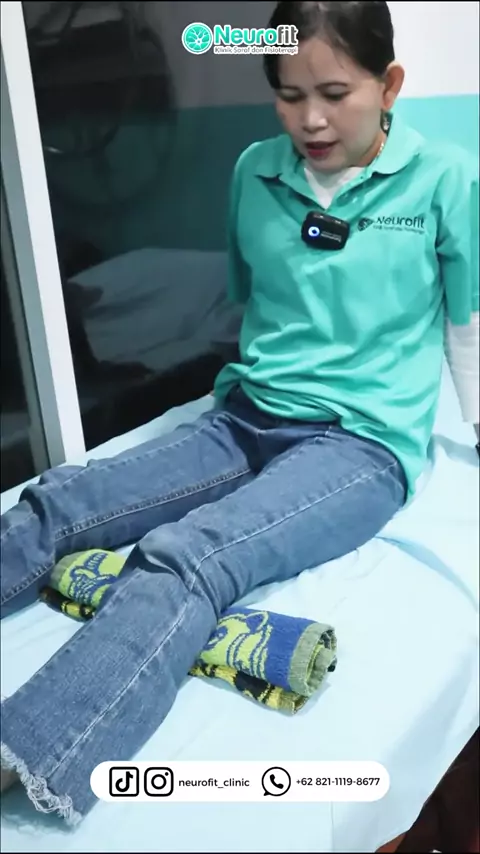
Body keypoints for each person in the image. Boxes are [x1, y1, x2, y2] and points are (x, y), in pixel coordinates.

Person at [1, 0, 478, 825]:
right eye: (289, 95)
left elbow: (465, 324)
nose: (311, 119)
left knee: (188, 556)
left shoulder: (444, 180)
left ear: (390, 84)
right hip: (246, 415)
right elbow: (252, 302)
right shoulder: (255, 171)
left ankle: (31, 750)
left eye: (335, 93)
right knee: (62, 500)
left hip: (361, 445)